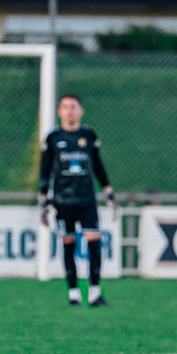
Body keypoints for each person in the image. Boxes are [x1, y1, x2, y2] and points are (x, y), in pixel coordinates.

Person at [39, 93, 115, 306]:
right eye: (65, 107)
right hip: (63, 201)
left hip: (86, 199)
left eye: (73, 107)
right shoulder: (53, 138)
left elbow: (98, 165)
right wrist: (44, 198)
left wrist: (107, 189)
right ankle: (73, 293)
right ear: (59, 112)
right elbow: (45, 170)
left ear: (80, 111)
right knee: (68, 244)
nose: (69, 110)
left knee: (94, 244)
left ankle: (94, 292)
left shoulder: (88, 135)